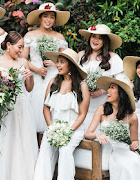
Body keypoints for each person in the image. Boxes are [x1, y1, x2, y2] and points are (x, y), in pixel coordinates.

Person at [0, 31, 38, 180]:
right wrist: (1, 95)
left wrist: (30, 77)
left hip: (21, 107)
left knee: (21, 141)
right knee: (3, 140)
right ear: (8, 45)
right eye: (19, 47)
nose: (21, 50)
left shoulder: (24, 63)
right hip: (3, 108)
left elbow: (29, 88)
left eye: (23, 47)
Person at [34, 48, 90, 180]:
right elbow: (46, 108)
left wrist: (69, 131)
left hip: (73, 128)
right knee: (45, 150)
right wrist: (51, 127)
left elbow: (82, 114)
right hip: (54, 127)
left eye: (62, 62)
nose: (58, 65)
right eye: (57, 62)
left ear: (70, 64)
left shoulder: (82, 86)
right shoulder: (53, 82)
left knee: (65, 150)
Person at [85, 76, 140, 179]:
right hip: (110, 151)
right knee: (128, 164)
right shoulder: (101, 110)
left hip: (125, 151)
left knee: (134, 161)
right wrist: (97, 135)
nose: (108, 91)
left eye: (112, 87)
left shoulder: (132, 117)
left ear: (121, 93)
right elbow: (88, 134)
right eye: (109, 87)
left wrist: (134, 145)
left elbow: (134, 141)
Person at [22, 2, 69, 136]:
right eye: (45, 16)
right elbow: (23, 59)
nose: (48, 20)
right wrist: (37, 70)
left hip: (53, 76)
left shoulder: (59, 37)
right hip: (35, 76)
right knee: (35, 105)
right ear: (40, 18)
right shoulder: (30, 35)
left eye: (52, 17)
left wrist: (55, 63)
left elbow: (66, 60)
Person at [78, 24, 125, 130]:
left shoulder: (113, 58)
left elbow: (121, 81)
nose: (96, 40)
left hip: (103, 101)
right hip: (82, 101)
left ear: (105, 41)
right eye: (94, 36)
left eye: (100, 38)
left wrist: (102, 91)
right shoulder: (81, 55)